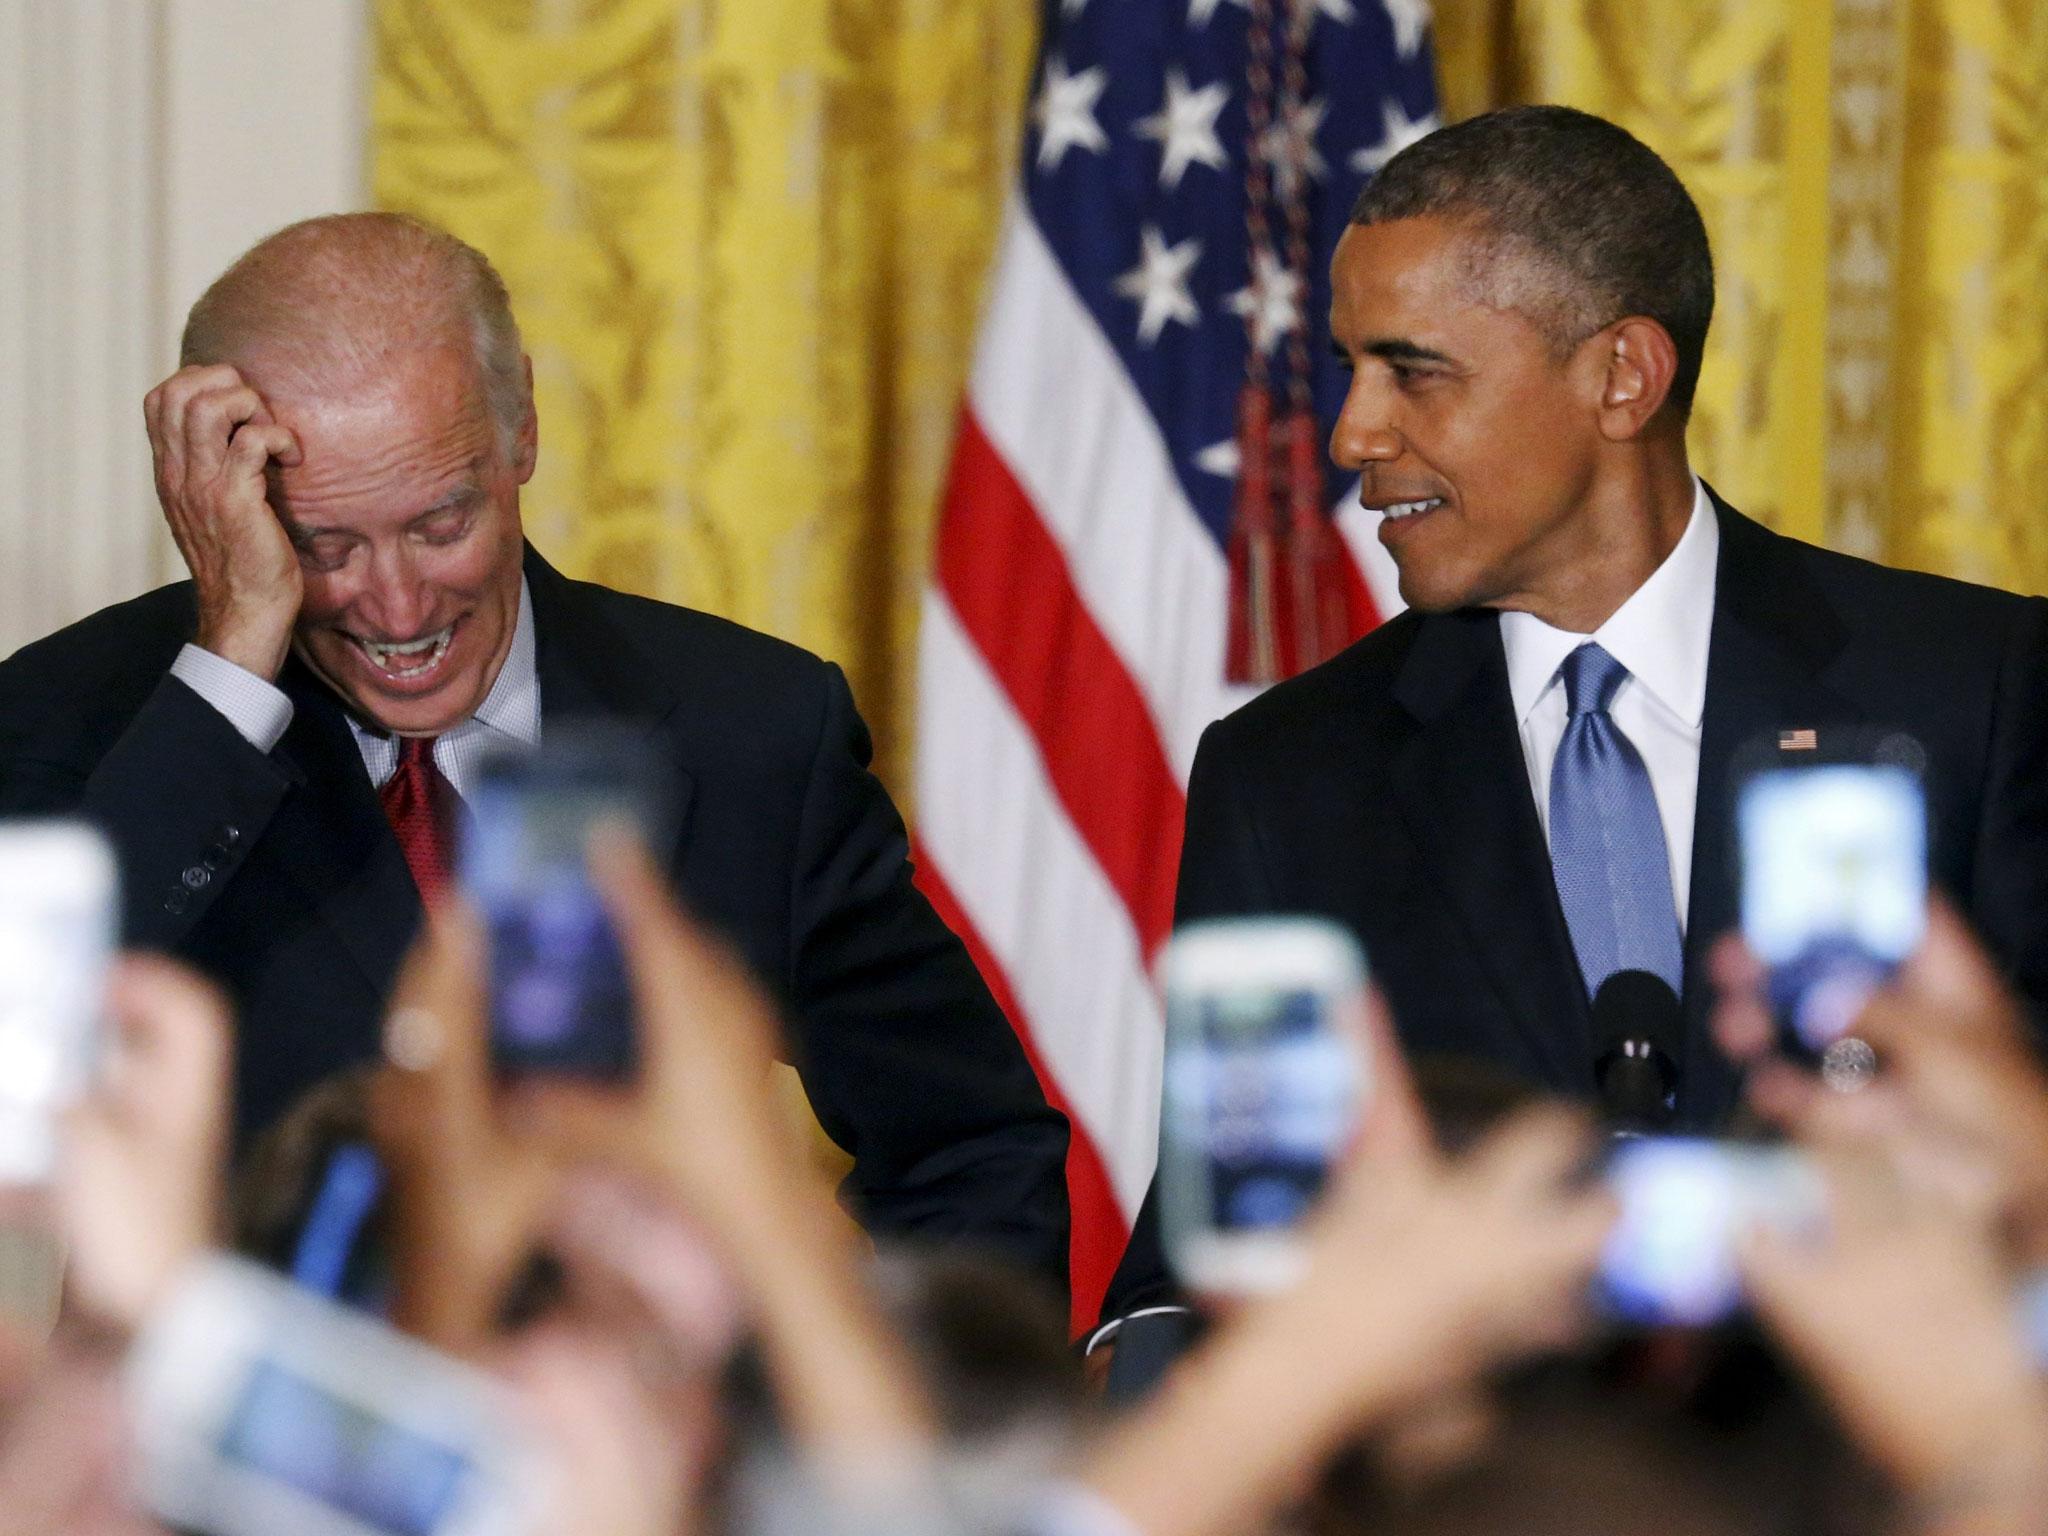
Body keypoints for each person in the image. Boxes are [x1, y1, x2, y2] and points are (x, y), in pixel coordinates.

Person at [1097, 104, 2048, 1345]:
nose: (1353, 436)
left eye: (1412, 370)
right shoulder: (1288, 776)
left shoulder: (1974, 686)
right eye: (1350, 372)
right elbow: (1207, 1250)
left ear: (1620, 376)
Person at [0, 213, 1069, 1294]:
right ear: (222, 503)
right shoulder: (83, 725)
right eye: (325, 545)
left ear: (520, 437)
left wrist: (906, 1429)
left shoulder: (748, 727)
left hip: (652, 1442)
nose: (398, 603)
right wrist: (230, 665)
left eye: (439, 521)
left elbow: (969, 1147)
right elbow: (20, 1067)